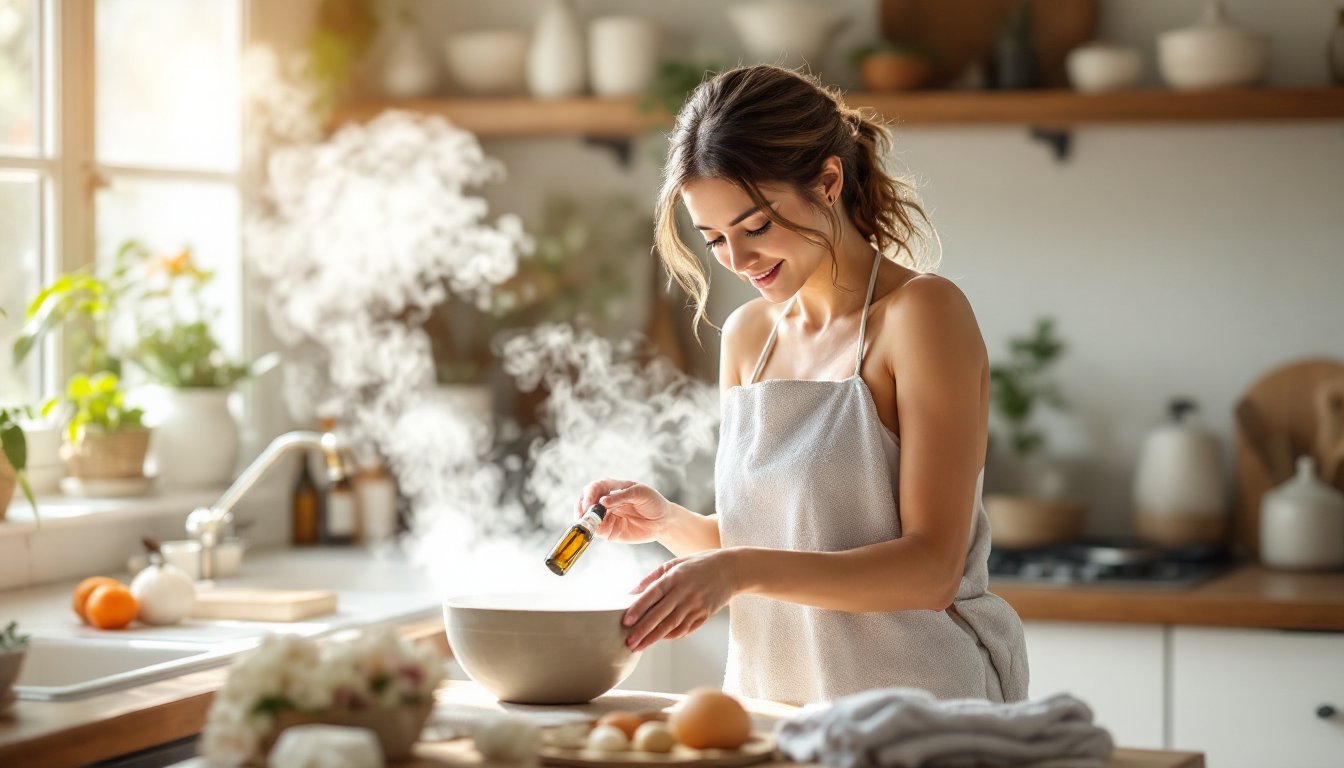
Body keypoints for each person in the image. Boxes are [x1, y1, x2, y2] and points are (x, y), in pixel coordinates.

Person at [576, 65, 1028, 705]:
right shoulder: (747, 337)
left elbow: (930, 571)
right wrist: (670, 523)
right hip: (773, 708)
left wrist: (734, 570)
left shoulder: (923, 315)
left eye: (755, 227)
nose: (736, 260)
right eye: (713, 240)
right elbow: (771, 540)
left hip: (921, 711)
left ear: (828, 181)